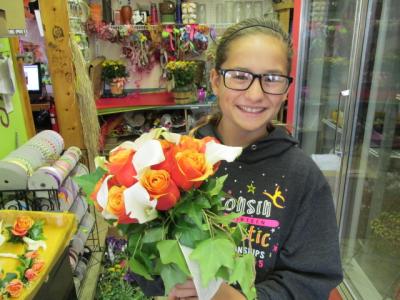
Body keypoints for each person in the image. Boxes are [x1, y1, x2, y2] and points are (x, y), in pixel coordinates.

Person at [168, 17, 343, 299]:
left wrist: (229, 296)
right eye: (239, 75)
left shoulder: (303, 176)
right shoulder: (177, 161)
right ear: (215, 80)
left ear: (286, 90)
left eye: (272, 79)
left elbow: (312, 279)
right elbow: (147, 267)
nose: (254, 94)